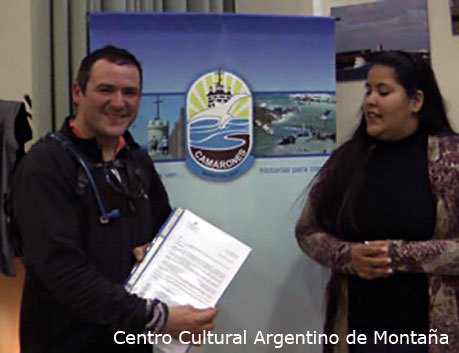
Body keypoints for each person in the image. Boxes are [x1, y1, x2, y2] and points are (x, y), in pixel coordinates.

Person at [12, 45, 217, 353]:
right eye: (105, 90)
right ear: (78, 93)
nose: (118, 103)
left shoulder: (136, 160)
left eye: (130, 92)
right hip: (67, 342)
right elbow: (66, 273)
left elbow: (165, 230)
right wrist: (158, 319)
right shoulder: (45, 166)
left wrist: (158, 251)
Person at [296, 50, 459, 353]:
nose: (370, 100)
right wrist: (347, 255)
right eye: (368, 90)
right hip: (359, 334)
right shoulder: (346, 161)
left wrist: (401, 255)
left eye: (383, 92)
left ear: (416, 101)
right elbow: (307, 230)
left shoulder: (452, 159)